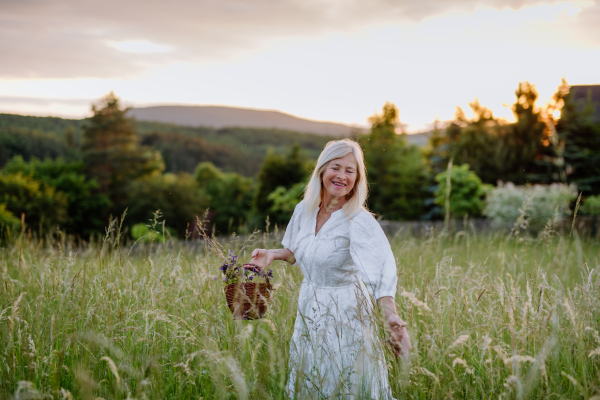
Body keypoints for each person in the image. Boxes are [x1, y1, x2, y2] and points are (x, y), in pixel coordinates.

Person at [251, 139, 411, 399]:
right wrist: (272, 254)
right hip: (309, 308)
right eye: (336, 167)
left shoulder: (358, 220)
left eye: (350, 170)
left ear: (358, 179)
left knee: (348, 381)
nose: (342, 176)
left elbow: (381, 271)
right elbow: (296, 252)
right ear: (322, 170)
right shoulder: (304, 210)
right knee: (311, 378)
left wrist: (391, 315)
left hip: (346, 313)